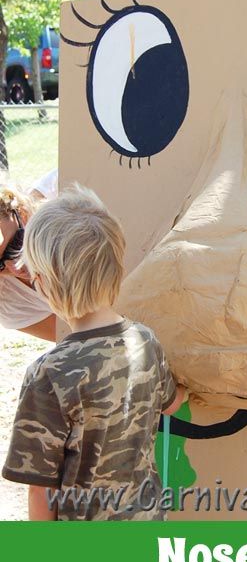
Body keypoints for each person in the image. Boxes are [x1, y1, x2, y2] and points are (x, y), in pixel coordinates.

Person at [2, 185, 185, 521]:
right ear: (116, 268)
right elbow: (172, 403)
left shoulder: (48, 374)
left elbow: (40, 489)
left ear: (43, 284)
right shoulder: (145, 341)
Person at [0, 186, 55, 340]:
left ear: (22, 214)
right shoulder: (10, 305)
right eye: (0, 265)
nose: (15, 267)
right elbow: (77, 338)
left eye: (15, 245)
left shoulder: (69, 229)